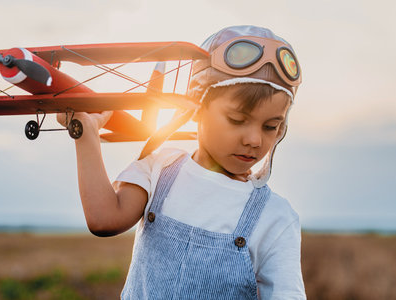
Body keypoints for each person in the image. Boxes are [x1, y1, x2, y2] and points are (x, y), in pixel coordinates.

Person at [58, 25, 306, 299]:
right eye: (237, 120)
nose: (254, 140)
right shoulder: (160, 168)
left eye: (271, 126)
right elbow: (103, 219)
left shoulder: (275, 216)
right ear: (197, 108)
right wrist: (86, 133)